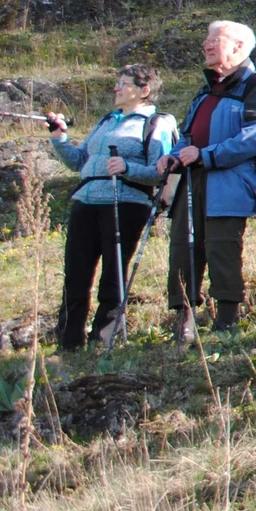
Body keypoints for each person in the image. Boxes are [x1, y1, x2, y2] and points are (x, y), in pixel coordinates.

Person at [154, 21, 256, 340]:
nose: (207, 45)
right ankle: (184, 321)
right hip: (193, 180)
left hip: (230, 182)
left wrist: (207, 155)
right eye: (206, 39)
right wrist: (175, 154)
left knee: (223, 248)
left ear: (238, 46)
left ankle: (227, 322)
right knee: (183, 249)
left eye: (215, 39)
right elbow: (188, 136)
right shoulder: (205, 90)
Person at [46, 65, 177, 349]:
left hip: (125, 203)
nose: (116, 88)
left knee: (113, 274)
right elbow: (79, 162)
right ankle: (68, 342)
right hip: (86, 201)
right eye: (116, 82)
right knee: (76, 274)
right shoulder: (107, 121)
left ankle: (103, 339)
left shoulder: (156, 123)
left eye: (123, 83)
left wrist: (127, 167)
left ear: (144, 91)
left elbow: (160, 171)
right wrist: (59, 139)